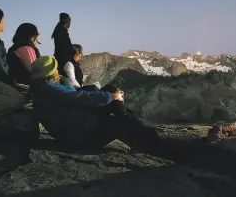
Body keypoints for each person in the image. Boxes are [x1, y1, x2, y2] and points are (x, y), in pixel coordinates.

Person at [30, 56, 160, 151]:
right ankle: (143, 136)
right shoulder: (49, 89)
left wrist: (104, 93)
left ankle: (130, 122)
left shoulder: (43, 88)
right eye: (54, 69)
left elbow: (72, 95)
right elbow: (76, 97)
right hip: (80, 139)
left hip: (76, 131)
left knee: (110, 91)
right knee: (117, 120)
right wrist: (112, 97)